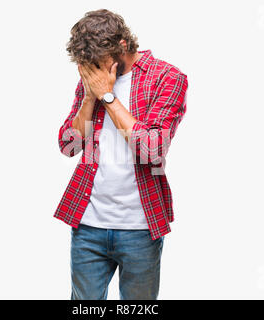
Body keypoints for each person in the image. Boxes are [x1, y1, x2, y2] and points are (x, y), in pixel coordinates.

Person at [54, 8, 188, 300]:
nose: (90, 68)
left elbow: (152, 149)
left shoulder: (167, 77)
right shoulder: (91, 79)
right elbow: (68, 145)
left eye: (95, 60)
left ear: (123, 46)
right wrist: (90, 97)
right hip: (88, 224)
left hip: (140, 228)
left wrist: (108, 97)